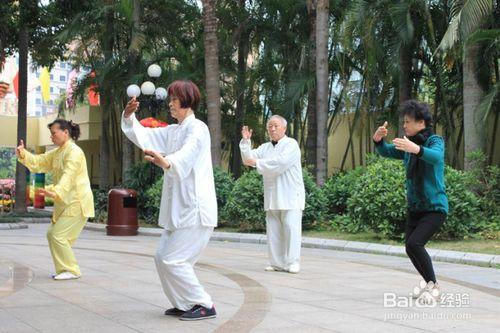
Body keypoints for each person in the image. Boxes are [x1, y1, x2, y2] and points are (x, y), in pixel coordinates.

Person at [121, 80, 217, 321]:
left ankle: (204, 304)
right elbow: (145, 136)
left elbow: (188, 154)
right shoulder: (175, 131)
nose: (170, 104)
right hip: (179, 211)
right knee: (161, 258)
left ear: (186, 100)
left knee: (174, 260)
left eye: (174, 99)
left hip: (195, 210)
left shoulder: (198, 129)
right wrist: (128, 116)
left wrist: (166, 162)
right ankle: (185, 303)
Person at [373, 100, 448, 299]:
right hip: (415, 207)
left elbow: (436, 157)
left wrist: (414, 148)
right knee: (410, 247)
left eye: (407, 122)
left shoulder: (435, 140)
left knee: (415, 244)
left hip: (435, 207)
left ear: (421, 123)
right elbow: (386, 151)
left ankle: (435, 287)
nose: (404, 126)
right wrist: (379, 140)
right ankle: (429, 283)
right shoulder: (408, 144)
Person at [15, 119, 94, 280]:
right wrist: (24, 153)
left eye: (53, 133)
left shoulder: (74, 152)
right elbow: (40, 162)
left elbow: (69, 175)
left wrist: (56, 191)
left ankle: (71, 270)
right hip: (66, 202)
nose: (51, 137)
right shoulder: (58, 152)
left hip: (77, 201)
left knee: (58, 235)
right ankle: (64, 269)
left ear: (65, 132)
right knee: (53, 234)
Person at [239, 115, 305, 274]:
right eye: (270, 126)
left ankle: (293, 261)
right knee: (273, 230)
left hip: (290, 195)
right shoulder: (265, 147)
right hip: (272, 195)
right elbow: (248, 159)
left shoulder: (291, 144)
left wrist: (257, 163)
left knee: (291, 227)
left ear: (284, 128)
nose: (273, 129)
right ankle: (277, 263)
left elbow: (280, 164)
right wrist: (246, 143)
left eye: (276, 126)